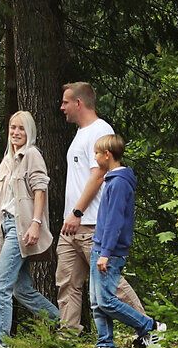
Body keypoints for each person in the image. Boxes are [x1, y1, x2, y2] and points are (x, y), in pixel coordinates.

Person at [56, 83, 147, 334]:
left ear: (79, 103)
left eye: (65, 102)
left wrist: (77, 212)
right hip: (71, 225)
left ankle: (148, 329)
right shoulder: (81, 133)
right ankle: (68, 336)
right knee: (67, 282)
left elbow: (97, 177)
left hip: (90, 222)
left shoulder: (100, 130)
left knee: (110, 285)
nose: (61, 107)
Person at [0, 111, 61, 348]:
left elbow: (40, 190)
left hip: (21, 228)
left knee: (0, 286)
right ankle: (62, 323)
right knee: (21, 289)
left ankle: (1, 343)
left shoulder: (31, 154)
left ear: (29, 131)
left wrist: (35, 223)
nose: (16, 132)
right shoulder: (8, 160)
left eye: (21, 128)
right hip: (4, 227)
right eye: (12, 127)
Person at [80, 134, 164, 348]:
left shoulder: (118, 183)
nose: (95, 157)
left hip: (109, 251)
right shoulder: (112, 180)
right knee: (97, 302)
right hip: (100, 246)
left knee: (106, 301)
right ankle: (105, 347)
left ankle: (150, 326)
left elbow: (115, 221)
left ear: (107, 155)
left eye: (97, 153)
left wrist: (106, 252)